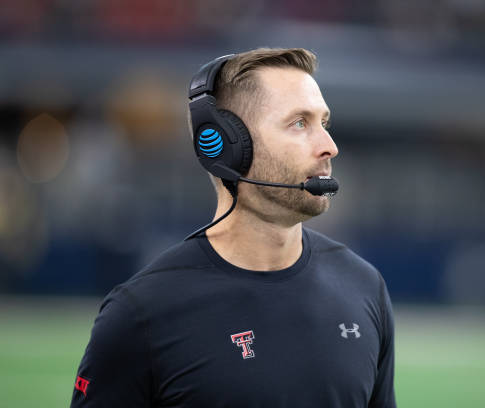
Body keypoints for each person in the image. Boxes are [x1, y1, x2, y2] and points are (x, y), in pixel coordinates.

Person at [70, 47, 396, 408]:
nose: (329, 147)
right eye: (299, 123)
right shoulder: (141, 314)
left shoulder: (364, 287)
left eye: (324, 123)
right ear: (228, 146)